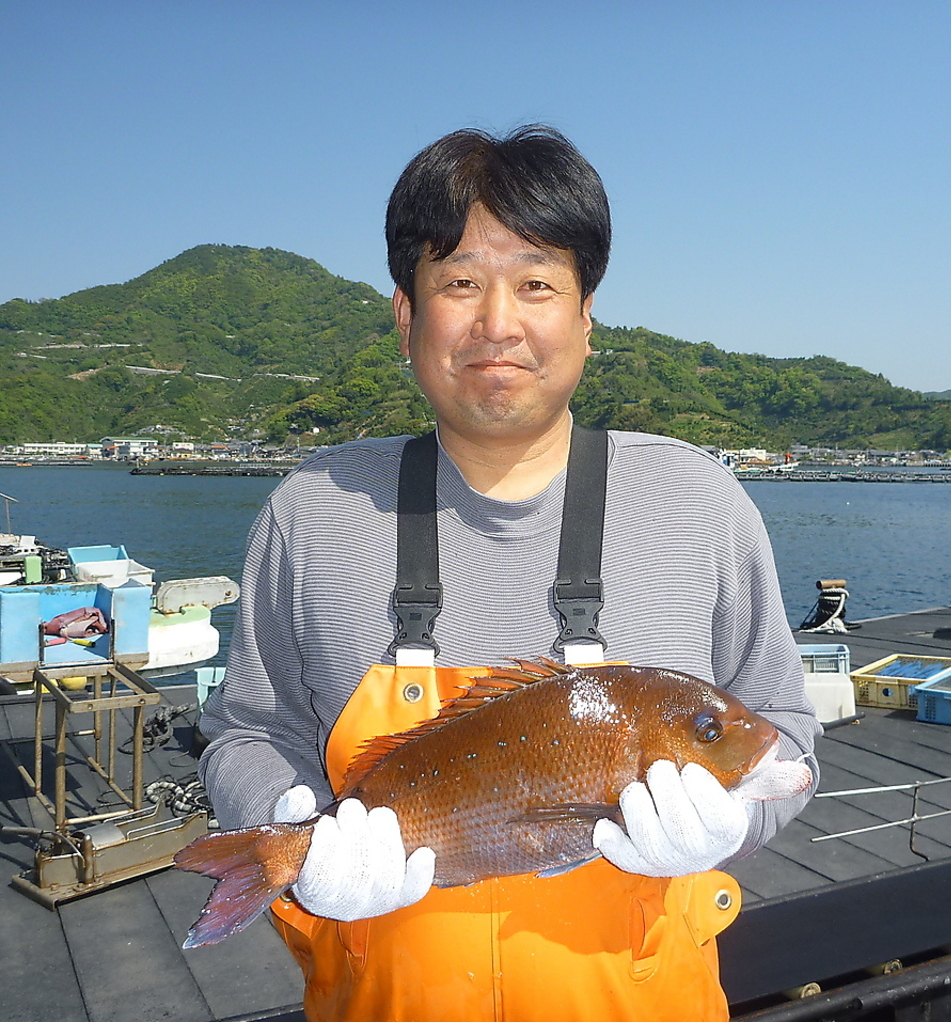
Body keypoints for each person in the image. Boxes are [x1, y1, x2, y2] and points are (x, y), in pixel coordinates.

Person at [198, 125, 821, 1022]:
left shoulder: (700, 502)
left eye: (537, 283)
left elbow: (787, 738)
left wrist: (734, 822)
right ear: (407, 314)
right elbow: (245, 731)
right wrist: (292, 815)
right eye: (458, 282)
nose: (499, 323)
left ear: (586, 316)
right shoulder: (313, 508)